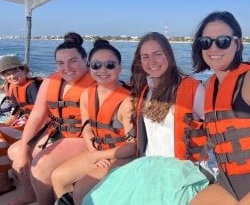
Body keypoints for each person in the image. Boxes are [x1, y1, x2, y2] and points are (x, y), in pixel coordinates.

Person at [82, 32, 211, 205]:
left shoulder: (193, 89)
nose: (152, 62)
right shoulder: (145, 89)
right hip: (146, 165)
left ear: (169, 55)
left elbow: (214, 129)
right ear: (140, 61)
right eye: (146, 57)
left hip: (182, 170)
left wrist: (204, 165)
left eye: (158, 54)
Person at [7, 38, 94, 205]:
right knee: (15, 151)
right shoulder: (51, 81)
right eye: (60, 63)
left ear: (86, 60)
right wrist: (24, 149)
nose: (66, 68)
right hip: (56, 131)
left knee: (40, 166)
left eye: (73, 61)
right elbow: (37, 115)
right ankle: (29, 194)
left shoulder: (97, 82)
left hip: (82, 137)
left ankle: (43, 202)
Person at [51, 39, 135, 205]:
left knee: (81, 190)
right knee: (58, 177)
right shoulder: (86, 94)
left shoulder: (128, 102)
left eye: (110, 65)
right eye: (96, 65)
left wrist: (98, 156)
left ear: (120, 67)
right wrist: (93, 153)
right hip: (98, 151)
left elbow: (133, 147)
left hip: (124, 156)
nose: (102, 70)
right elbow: (87, 128)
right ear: (90, 67)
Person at [190, 11, 250, 205]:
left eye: (222, 41)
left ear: (237, 44)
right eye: (206, 42)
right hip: (227, 182)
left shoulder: (248, 80)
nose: (213, 47)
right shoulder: (207, 87)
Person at [0, 55, 42, 195]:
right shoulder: (15, 88)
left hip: (39, 129)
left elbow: (42, 116)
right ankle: (4, 179)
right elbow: (14, 116)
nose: (12, 76)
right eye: (7, 73)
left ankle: (4, 183)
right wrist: (3, 125)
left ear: (24, 70)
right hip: (26, 124)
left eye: (15, 71)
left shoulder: (33, 87)